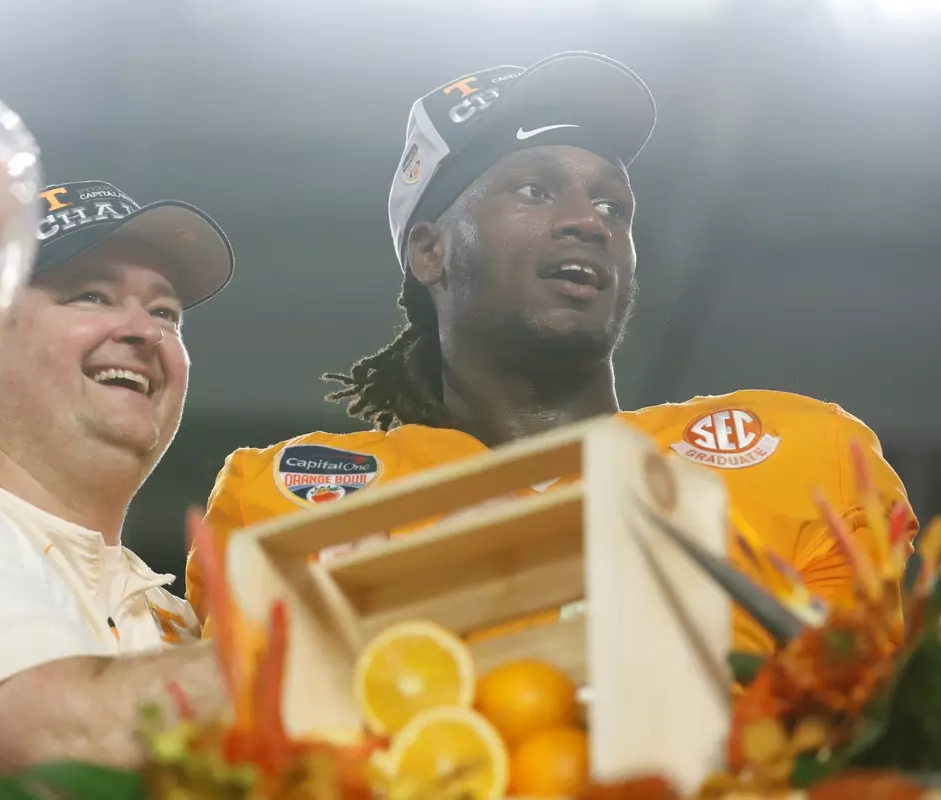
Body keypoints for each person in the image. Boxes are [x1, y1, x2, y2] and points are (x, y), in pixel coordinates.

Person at [188, 53, 918, 654]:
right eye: (535, 190)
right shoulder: (290, 498)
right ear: (430, 251)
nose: (588, 224)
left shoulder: (800, 457)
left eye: (613, 207)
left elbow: (867, 738)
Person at [0, 180, 234, 770]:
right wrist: (340, 640)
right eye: (91, 295)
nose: (146, 332)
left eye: (165, 311)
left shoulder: (178, 620)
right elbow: (51, 743)